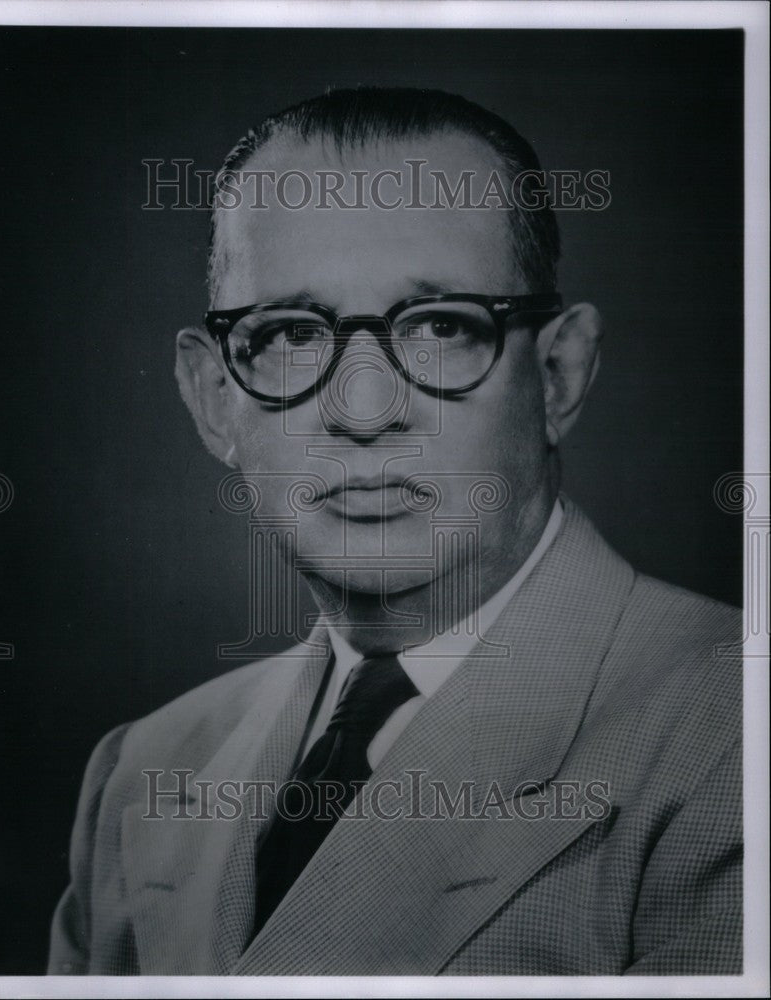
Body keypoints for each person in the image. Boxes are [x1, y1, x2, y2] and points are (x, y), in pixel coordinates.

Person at [47, 87, 742, 976]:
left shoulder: (731, 739)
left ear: (559, 375)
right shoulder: (145, 769)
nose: (365, 413)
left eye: (443, 328)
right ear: (215, 398)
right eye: (293, 333)